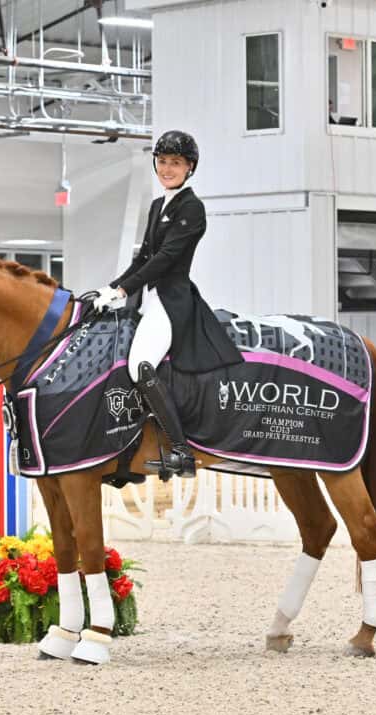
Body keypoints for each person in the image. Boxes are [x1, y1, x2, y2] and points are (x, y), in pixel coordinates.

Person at [92, 130, 243, 478]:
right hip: (148, 299)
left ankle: (181, 449)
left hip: (171, 301)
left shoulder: (192, 207)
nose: (167, 168)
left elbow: (165, 258)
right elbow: (143, 256)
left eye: (175, 163)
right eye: (162, 161)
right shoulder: (159, 205)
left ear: (190, 167)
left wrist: (123, 291)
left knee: (141, 364)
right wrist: (111, 287)